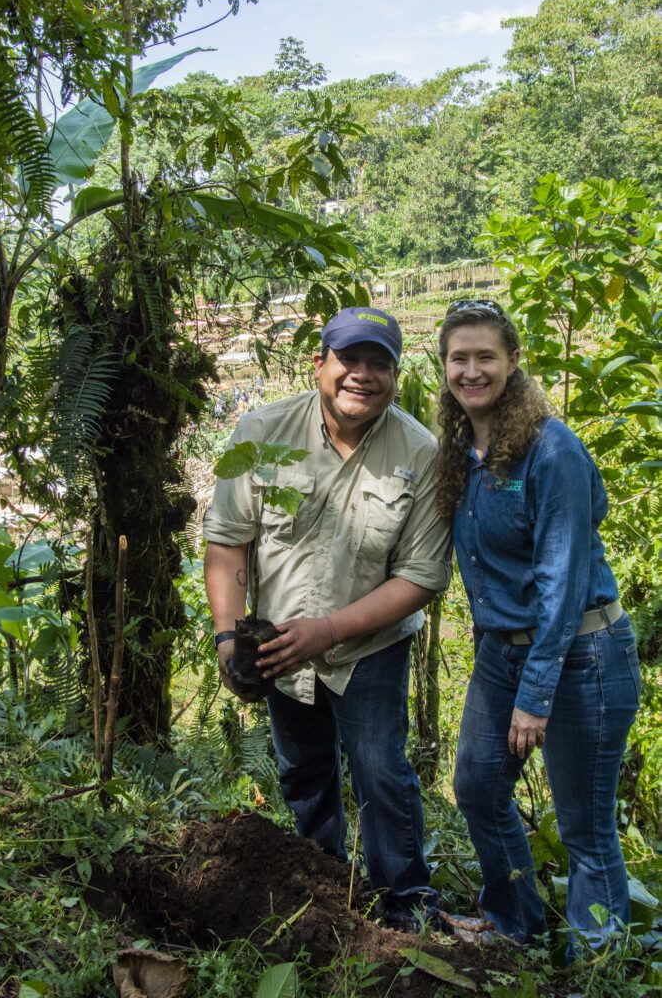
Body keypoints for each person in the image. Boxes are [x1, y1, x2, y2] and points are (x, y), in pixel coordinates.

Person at [204, 306, 452, 929]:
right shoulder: (262, 431)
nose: (361, 376)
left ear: (395, 375)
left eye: (379, 364)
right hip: (279, 644)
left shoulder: (421, 453)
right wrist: (228, 638)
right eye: (349, 360)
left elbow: (421, 576)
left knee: (383, 776)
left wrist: (331, 629)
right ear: (320, 363)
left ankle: (405, 907)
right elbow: (228, 541)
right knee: (303, 772)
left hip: (369, 647)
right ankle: (322, 890)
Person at [435, 298, 641, 951]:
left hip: (580, 653)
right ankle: (514, 921)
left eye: (484, 357)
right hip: (504, 651)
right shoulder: (463, 448)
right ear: (442, 365)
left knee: (585, 828)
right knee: (476, 786)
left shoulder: (550, 451)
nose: (471, 371)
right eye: (458, 358)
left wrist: (534, 695)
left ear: (512, 361)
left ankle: (598, 958)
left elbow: (561, 582)